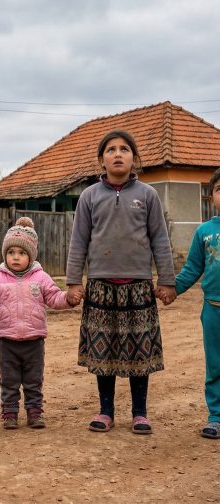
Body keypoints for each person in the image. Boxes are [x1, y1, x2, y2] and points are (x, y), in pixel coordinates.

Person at [66, 129, 176, 434]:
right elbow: (78, 241)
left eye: (124, 149)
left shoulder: (148, 195)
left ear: (134, 158)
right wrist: (74, 281)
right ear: (101, 160)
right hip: (100, 287)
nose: (117, 154)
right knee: (104, 351)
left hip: (138, 287)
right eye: (111, 149)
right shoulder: (89, 196)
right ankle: (106, 411)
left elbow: (160, 240)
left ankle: (140, 413)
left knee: (140, 350)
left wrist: (167, 280)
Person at [0, 217, 78, 429]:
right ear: (5, 254)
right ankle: (9, 414)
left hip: (34, 340)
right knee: (9, 380)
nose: (15, 257)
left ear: (31, 255)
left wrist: (68, 299)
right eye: (11, 252)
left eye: (22, 253)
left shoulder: (41, 278)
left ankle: (35, 413)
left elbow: (54, 297)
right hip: (7, 341)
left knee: (34, 380)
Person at [174, 167, 220, 439]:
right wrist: (170, 290)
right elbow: (192, 269)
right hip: (213, 309)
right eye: (219, 189)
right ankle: (216, 416)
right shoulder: (204, 231)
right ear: (210, 196)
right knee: (215, 365)